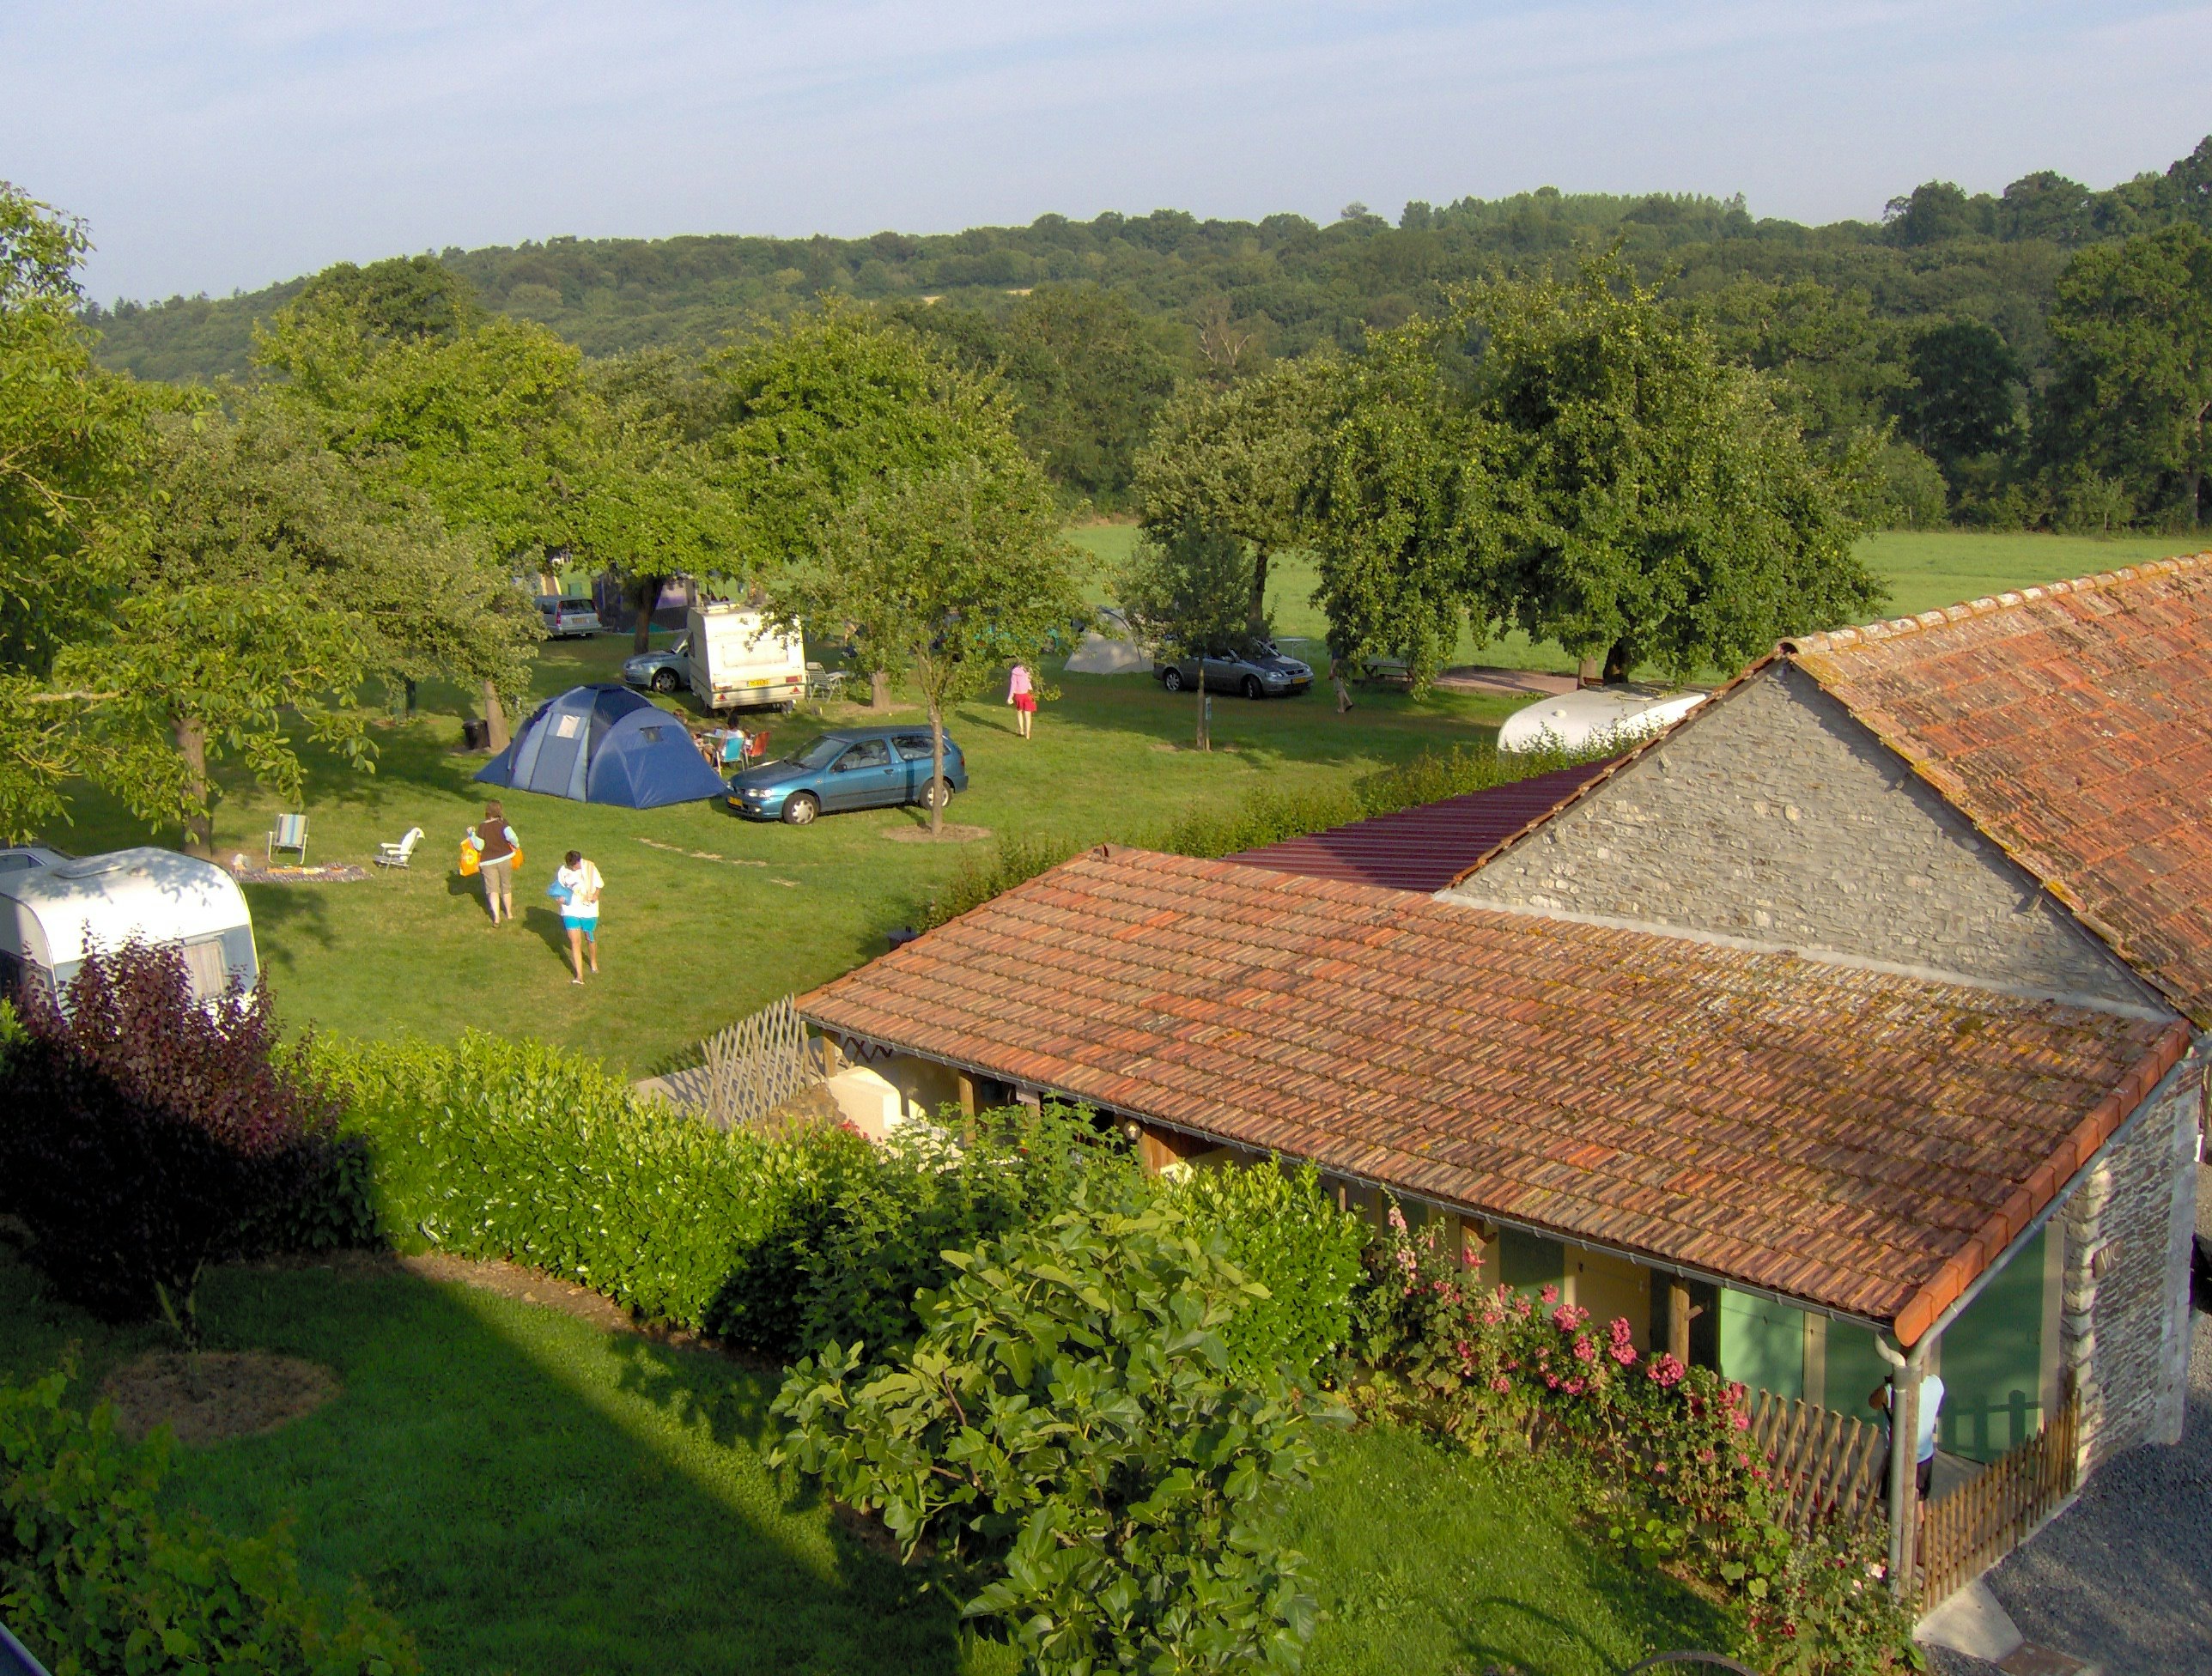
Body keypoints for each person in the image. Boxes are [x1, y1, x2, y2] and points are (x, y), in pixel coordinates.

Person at [1870, 1369, 1946, 1503]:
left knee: (1893, 1504)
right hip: (1924, 1456)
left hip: (1898, 1456)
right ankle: (1920, 1524)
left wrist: (1889, 1381)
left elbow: (1873, 1402)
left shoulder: (1896, 1390)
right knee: (1919, 1503)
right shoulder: (1936, 1383)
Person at [465, 800, 520, 926]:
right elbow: (512, 838)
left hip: (488, 862)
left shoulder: (483, 826)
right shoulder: (503, 823)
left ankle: (496, 918)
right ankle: (509, 913)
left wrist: (471, 835)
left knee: (492, 890)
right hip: (505, 858)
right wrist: (516, 846)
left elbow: (479, 846)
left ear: (487, 811)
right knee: (506, 886)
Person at [554, 849, 604, 984]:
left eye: (575, 864)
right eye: (571, 865)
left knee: (589, 937)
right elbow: (559, 888)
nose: (574, 867)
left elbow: (599, 885)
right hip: (570, 910)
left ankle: (593, 961)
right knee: (575, 942)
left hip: (588, 910)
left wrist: (595, 895)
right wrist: (559, 898)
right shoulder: (563, 871)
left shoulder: (590, 868)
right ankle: (579, 976)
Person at [1006, 661, 1036, 739]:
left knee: (1019, 711)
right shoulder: (1028, 669)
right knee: (1028, 714)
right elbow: (1030, 680)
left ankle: (1021, 730)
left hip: (1019, 694)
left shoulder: (1014, 672)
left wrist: (1010, 697)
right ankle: (1028, 734)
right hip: (1029, 693)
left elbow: (1013, 685)